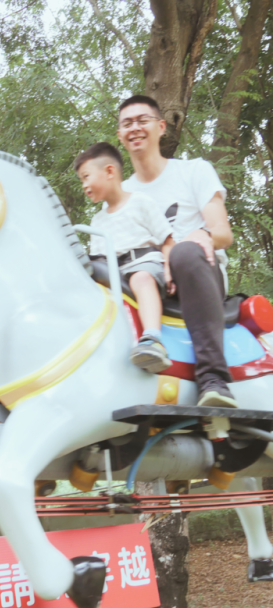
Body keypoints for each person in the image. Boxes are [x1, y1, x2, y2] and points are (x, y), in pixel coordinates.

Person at [117, 95, 237, 408]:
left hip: (198, 271)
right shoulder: (123, 194)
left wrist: (203, 233)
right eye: (127, 123)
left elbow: (224, 234)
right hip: (151, 279)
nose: (135, 128)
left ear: (160, 127)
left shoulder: (194, 171)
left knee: (184, 251)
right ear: (120, 135)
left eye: (142, 120)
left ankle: (214, 380)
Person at [75, 142, 175, 373]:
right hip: (116, 272)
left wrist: (170, 269)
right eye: (82, 180)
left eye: (87, 176)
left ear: (109, 171)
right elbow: (99, 260)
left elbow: (168, 240)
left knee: (140, 278)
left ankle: (152, 339)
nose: (84, 185)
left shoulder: (140, 202)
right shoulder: (97, 221)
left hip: (145, 264)